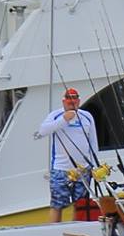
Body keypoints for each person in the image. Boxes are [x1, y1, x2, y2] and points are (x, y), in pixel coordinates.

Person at [35, 88, 100, 223]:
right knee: (57, 205)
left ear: (79, 101)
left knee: (81, 204)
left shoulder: (86, 116)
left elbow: (93, 142)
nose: (72, 101)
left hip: (83, 169)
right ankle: (52, 233)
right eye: (69, 98)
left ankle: (77, 231)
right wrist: (64, 120)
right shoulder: (56, 115)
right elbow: (42, 131)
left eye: (75, 98)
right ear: (64, 101)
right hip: (61, 169)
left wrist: (95, 166)